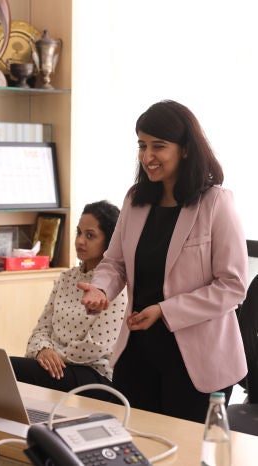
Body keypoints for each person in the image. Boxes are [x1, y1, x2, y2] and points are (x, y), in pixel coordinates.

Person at [77, 100, 249, 422]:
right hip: (139, 350)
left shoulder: (216, 202)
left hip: (198, 361)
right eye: (142, 145)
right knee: (137, 446)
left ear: (185, 149)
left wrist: (164, 310)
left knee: (184, 453)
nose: (147, 157)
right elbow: (114, 263)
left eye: (159, 146)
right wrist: (100, 290)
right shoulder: (135, 200)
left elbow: (232, 286)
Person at [11, 200, 127, 401]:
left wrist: (52, 356)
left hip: (94, 375)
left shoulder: (115, 286)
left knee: (9, 369)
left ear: (109, 241)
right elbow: (40, 330)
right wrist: (43, 350)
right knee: (7, 370)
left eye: (90, 235)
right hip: (56, 366)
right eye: (79, 232)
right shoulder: (66, 278)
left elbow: (96, 347)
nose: (80, 241)